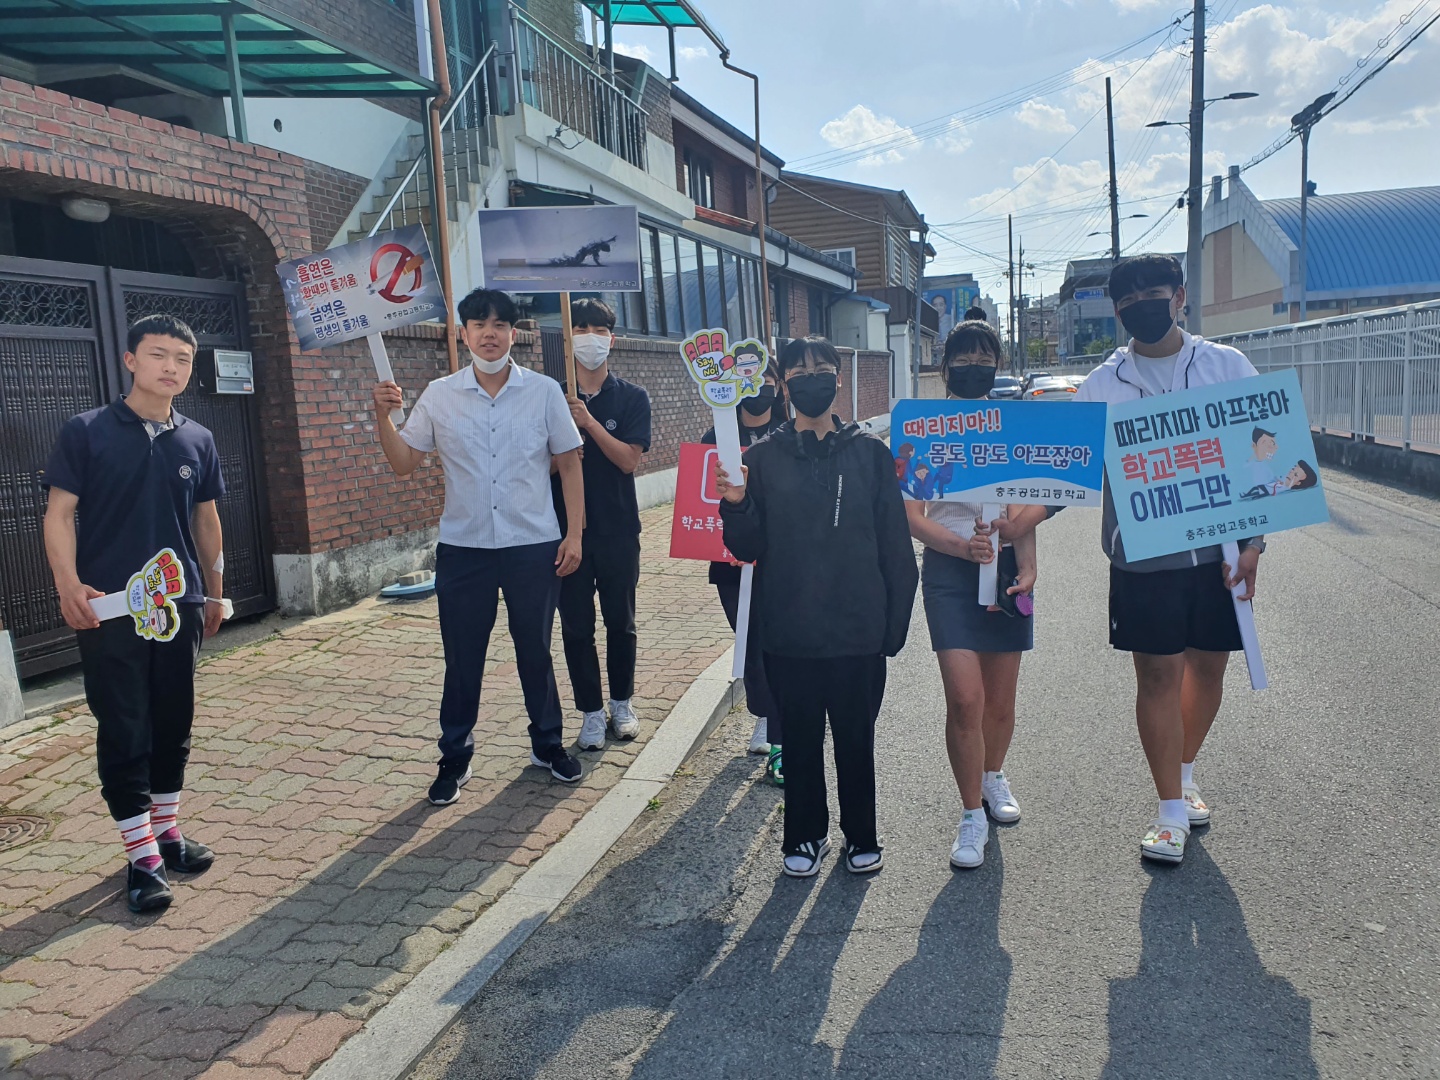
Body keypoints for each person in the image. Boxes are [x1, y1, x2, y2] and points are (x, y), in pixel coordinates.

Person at [1075, 253, 1265, 865]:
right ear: (1117, 310)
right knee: (1157, 677)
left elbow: (1266, 452)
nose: (1142, 306)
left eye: (1154, 292)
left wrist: (1256, 545)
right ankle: (1169, 813)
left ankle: (1183, 772)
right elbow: (1064, 473)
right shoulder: (1101, 386)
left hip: (1220, 553)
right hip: (1142, 560)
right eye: (1128, 300)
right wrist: (1010, 508)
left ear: (1180, 296)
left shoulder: (1225, 365)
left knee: (1209, 672)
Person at [43, 314, 228, 914]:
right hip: (112, 610)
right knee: (124, 726)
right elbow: (59, 514)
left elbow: (206, 519)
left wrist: (216, 589)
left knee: (173, 721)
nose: (170, 367)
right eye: (158, 355)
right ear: (130, 360)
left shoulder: (197, 439)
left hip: (179, 608)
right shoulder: (88, 431)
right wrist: (68, 583)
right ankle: (140, 855)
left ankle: (167, 832)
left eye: (181, 358)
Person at [373, 288, 586, 803]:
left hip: (532, 544)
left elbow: (571, 462)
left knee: (534, 648)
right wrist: (383, 418)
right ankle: (455, 756)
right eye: (478, 324)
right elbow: (405, 463)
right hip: (464, 548)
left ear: (515, 333)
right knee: (462, 655)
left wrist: (574, 533)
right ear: (462, 332)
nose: (489, 333)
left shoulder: (542, 392)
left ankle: (547, 744)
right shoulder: (440, 394)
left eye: (499, 324)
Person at [717, 335, 918, 878]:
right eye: (800, 371)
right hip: (790, 631)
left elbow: (896, 549)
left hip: (857, 631)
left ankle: (862, 836)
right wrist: (734, 505)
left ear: (838, 378)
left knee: (857, 739)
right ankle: (805, 835)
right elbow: (747, 548)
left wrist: (892, 626)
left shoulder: (870, 454)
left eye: (823, 368)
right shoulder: (759, 459)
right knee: (801, 741)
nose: (813, 378)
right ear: (783, 384)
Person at [905, 320, 1040, 869]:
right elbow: (912, 516)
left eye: (985, 356)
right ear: (945, 367)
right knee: (965, 698)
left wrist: (1026, 565)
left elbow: (1025, 503)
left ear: (997, 364)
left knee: (1001, 701)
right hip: (948, 572)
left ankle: (993, 776)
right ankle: (970, 815)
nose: (973, 366)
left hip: (1005, 569)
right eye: (963, 358)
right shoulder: (922, 427)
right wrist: (962, 550)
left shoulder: (1017, 427)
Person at [551, 297, 652, 752]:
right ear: (568, 337)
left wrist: (589, 423)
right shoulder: (549, 395)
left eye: (600, 329)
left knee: (621, 621)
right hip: (565, 534)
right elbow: (536, 468)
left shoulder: (632, 397)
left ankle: (622, 703)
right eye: (582, 329)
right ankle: (590, 712)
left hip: (617, 530)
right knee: (575, 626)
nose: (591, 338)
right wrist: (563, 453)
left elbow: (629, 460)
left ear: (611, 337)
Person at [703, 366, 788, 783]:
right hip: (730, 564)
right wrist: (727, 543)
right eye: (753, 381)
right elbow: (698, 506)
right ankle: (764, 711)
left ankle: (779, 726)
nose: (761, 389)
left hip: (780, 563)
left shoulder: (789, 435)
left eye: (768, 380)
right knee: (749, 640)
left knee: (778, 642)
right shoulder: (714, 436)